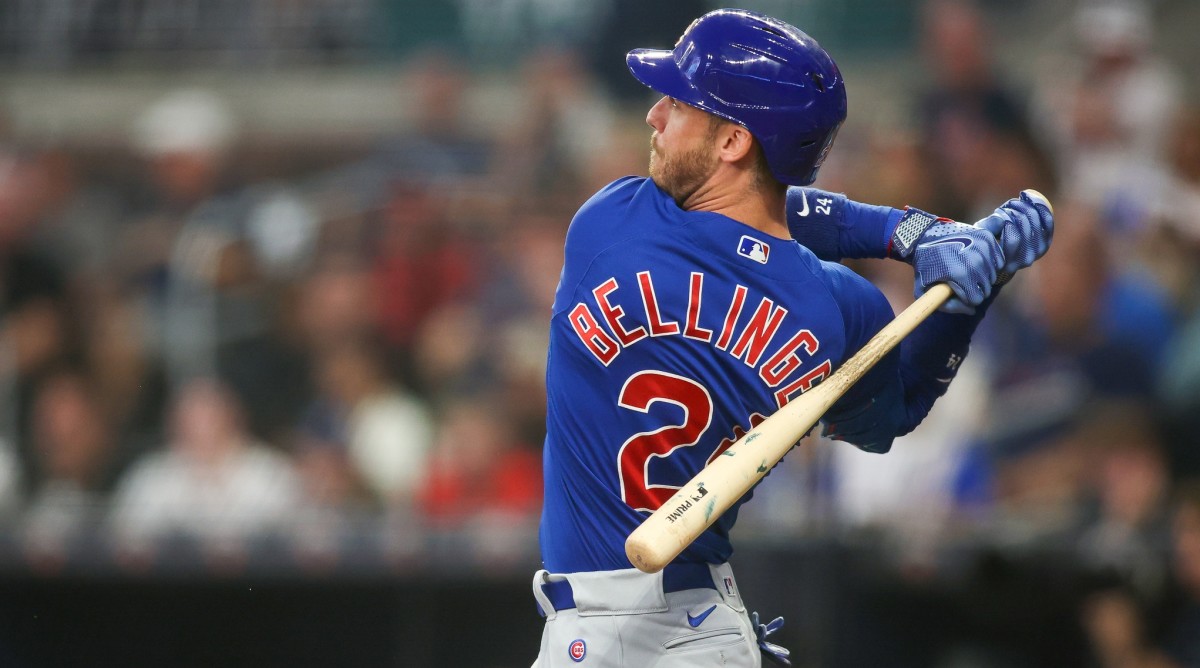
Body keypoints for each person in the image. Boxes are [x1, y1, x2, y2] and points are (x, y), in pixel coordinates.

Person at [531, 9, 1054, 667]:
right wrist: (960, 290)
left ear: (732, 142)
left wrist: (907, 231)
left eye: (679, 104)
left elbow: (761, 222)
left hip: (606, 629)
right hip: (707, 633)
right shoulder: (839, 308)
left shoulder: (612, 221)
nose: (654, 116)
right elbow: (892, 417)